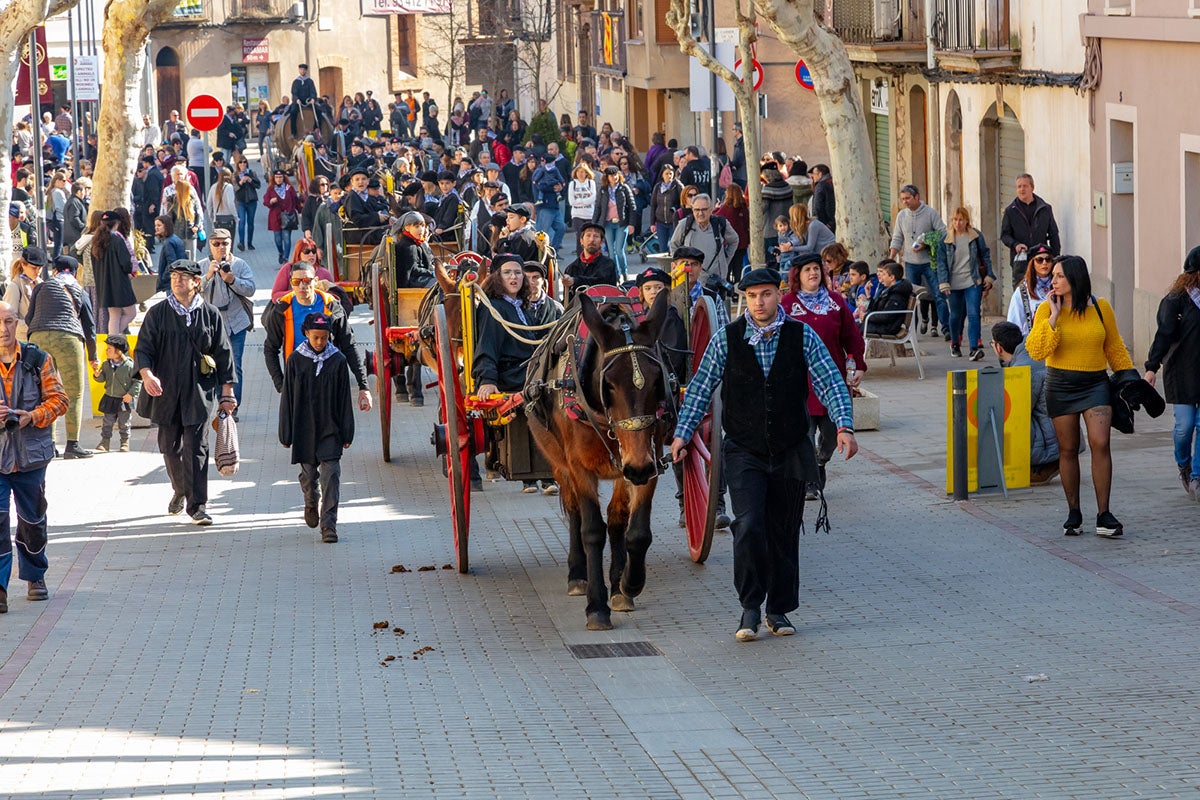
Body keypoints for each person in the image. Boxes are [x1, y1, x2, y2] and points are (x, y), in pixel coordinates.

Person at [669, 268, 857, 641]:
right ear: (745, 299)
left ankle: (779, 610)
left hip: (789, 448)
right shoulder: (727, 339)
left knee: (784, 531)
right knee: (750, 524)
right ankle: (750, 608)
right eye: (753, 295)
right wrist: (682, 434)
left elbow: (831, 381)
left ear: (777, 294)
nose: (760, 302)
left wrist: (844, 427)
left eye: (767, 294)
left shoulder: (802, 337)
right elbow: (702, 386)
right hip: (744, 450)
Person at [1025, 256, 1133, 538]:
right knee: (1068, 449)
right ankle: (1074, 512)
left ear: (1075, 278)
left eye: (1060, 275)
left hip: (1095, 383)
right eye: (1054, 276)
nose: (1054, 280)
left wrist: (1132, 376)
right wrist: (1053, 316)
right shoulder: (1045, 311)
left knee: (1101, 442)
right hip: (1060, 384)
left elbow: (1115, 346)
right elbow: (1038, 350)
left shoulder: (1100, 307)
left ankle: (1104, 514)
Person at [136, 259, 236, 526]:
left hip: (198, 391)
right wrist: (147, 374)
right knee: (169, 448)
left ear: (196, 282)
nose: (177, 280)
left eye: (184, 276)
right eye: (174, 276)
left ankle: (197, 506)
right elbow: (143, 348)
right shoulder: (157, 313)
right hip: (165, 391)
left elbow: (224, 353)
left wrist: (227, 392)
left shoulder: (211, 314)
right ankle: (180, 488)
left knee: (196, 448)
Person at [0, 299, 68, 612]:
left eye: (10, 321)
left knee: (32, 520)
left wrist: (31, 416)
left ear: (19, 323)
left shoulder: (38, 359)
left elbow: (60, 401)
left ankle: (35, 576)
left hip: (31, 457)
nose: (4, 329)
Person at [781, 253, 866, 498]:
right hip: (799, 384)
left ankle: (820, 462)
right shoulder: (787, 305)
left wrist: (858, 364)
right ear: (798, 275)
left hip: (832, 381)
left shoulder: (836, 302)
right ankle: (810, 480)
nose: (813, 273)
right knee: (803, 435)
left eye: (816, 268)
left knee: (831, 436)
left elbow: (852, 337)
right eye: (807, 269)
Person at [280, 311, 369, 544]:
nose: (320, 342)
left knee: (332, 475)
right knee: (309, 477)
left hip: (331, 429)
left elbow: (343, 400)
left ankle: (329, 525)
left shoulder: (337, 361)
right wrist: (285, 431)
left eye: (324, 337)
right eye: (315, 337)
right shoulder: (295, 360)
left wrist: (347, 432)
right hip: (304, 428)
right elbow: (288, 397)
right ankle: (311, 500)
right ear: (307, 333)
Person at [262, 263, 370, 410]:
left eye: (307, 281)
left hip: (330, 379)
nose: (302, 286)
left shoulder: (332, 306)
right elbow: (270, 349)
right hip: (297, 381)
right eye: (296, 282)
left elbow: (349, 345)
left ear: (316, 281)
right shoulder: (282, 309)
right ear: (291, 282)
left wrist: (363, 386)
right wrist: (281, 385)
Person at [26, 253, 98, 459]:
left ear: (55, 271)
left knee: (43, 392)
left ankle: (48, 444)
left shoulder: (41, 287)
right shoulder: (79, 290)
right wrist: (93, 356)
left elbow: (30, 317)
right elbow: (89, 326)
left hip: (38, 337)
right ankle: (72, 445)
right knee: (73, 392)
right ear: (75, 273)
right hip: (68, 338)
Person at [1144, 245, 1200, 499]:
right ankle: (1183, 463)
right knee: (1184, 427)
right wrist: (1151, 367)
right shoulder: (1176, 301)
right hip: (1182, 372)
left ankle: (1197, 476)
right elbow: (1163, 335)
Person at [991, 322, 1060, 485]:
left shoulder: (1022, 370)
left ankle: (1044, 463)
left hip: (1051, 439)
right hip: (1061, 428)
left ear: (999, 348)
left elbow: (1017, 412)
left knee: (1006, 417)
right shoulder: (1032, 352)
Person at [199, 229, 256, 411]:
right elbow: (192, 292)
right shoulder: (201, 265)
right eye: (216, 244)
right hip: (211, 326)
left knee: (235, 364)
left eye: (225, 243)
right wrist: (208, 276)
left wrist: (232, 280)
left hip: (235, 323)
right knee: (214, 365)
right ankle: (219, 402)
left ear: (230, 244)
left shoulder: (240, 265)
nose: (221, 247)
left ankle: (232, 406)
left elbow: (251, 289)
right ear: (210, 245)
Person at [888, 184, 948, 338]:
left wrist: (926, 243)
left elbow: (942, 232)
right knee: (910, 298)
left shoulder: (930, 213)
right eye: (902, 199)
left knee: (938, 295)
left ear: (917, 197)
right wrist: (891, 257)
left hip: (930, 263)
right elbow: (897, 237)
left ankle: (947, 329)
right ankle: (910, 331)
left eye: (908, 198)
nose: (905, 202)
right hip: (910, 263)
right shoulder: (901, 216)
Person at [936, 206, 996, 360]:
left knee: (974, 313)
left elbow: (985, 255)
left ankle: (974, 348)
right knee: (955, 315)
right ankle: (955, 344)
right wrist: (943, 282)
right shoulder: (945, 239)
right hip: (953, 283)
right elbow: (941, 262)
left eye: (961, 220)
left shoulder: (975, 236)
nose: (958, 223)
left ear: (967, 220)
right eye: (955, 220)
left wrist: (989, 276)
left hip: (972, 281)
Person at [669, 193, 739, 291]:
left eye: (704, 209)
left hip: (716, 280)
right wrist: (680, 265)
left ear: (711, 210)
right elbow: (674, 244)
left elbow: (734, 240)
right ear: (692, 210)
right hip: (691, 281)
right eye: (697, 210)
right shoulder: (684, 225)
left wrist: (724, 259)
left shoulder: (720, 224)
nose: (700, 213)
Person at [1000, 173, 1061, 283]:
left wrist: (1055, 259)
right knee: (1022, 295)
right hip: (1021, 262)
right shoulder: (1010, 211)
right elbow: (1004, 235)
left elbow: (1054, 235)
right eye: (1019, 186)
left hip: (1042, 260)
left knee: (1043, 293)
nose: (1021, 189)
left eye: (1025, 186)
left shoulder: (1045, 209)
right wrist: (1015, 244)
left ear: (1032, 187)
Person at [91, 211, 138, 335]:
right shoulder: (117, 241)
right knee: (131, 313)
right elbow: (126, 264)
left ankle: (112, 341)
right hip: (120, 284)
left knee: (114, 316)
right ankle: (113, 338)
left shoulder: (96, 242)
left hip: (104, 284)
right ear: (116, 224)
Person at [92, 333, 140, 452]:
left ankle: (124, 442)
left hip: (124, 399)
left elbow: (138, 381)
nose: (107, 351)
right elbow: (102, 378)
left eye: (109, 349)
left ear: (118, 351)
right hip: (110, 398)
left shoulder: (130, 366)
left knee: (124, 423)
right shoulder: (106, 364)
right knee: (107, 422)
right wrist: (96, 374)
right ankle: (105, 442)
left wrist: (131, 394)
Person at [592, 166, 637, 280]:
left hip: (621, 223)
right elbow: (598, 208)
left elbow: (632, 207)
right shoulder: (603, 190)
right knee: (611, 252)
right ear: (607, 177)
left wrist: (631, 224)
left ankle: (624, 272)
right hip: (607, 223)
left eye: (616, 174)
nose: (614, 177)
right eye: (611, 175)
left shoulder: (624, 188)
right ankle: (615, 275)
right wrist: (594, 224)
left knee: (619, 250)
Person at [1006, 243, 1055, 335]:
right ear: (1032, 263)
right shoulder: (1023, 291)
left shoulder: (1059, 286)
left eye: (1048, 259)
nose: (1044, 263)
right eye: (1039, 260)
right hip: (1032, 341)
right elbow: (1014, 321)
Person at [562, 222, 619, 290]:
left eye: (596, 236)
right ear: (581, 241)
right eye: (588, 235)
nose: (592, 240)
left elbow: (599, 282)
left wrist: (575, 281)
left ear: (602, 242)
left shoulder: (608, 264)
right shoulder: (572, 268)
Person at [863, 262, 914, 336]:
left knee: (851, 328)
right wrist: (868, 295)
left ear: (892, 278)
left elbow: (887, 316)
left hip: (887, 328)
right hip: (882, 324)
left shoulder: (897, 295)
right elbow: (877, 309)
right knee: (851, 325)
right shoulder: (888, 290)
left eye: (884, 274)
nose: (881, 277)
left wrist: (866, 316)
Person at [263, 169, 302, 264]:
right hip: (276, 218)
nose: (279, 179)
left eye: (280, 177)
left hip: (288, 217)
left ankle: (285, 258)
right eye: (277, 177)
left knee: (287, 238)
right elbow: (265, 201)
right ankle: (281, 252)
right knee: (278, 240)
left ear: (284, 178)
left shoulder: (289, 188)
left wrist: (300, 211)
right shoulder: (271, 189)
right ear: (274, 178)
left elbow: (296, 200)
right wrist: (271, 202)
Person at [713, 184, 750, 283]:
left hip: (728, 243)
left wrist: (716, 208)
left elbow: (715, 216)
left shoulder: (726, 208)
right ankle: (737, 288)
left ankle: (729, 289)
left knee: (727, 267)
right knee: (738, 267)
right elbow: (747, 223)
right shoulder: (743, 207)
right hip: (742, 242)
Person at [5, 247, 43, 341]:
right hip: (22, 342)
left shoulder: (41, 284)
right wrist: (34, 326)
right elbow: (9, 320)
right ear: (23, 265)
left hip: (39, 340)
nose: (38, 271)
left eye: (40, 268)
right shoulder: (14, 287)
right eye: (34, 268)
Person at [649, 164, 683, 256]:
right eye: (666, 174)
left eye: (671, 173)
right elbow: (653, 205)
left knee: (674, 246)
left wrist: (677, 212)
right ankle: (664, 268)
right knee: (663, 248)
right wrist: (652, 223)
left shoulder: (677, 185)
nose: (669, 176)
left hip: (673, 221)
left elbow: (683, 202)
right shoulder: (658, 187)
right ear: (662, 175)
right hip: (660, 222)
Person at [154, 215, 188, 295]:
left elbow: (172, 262)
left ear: (166, 226)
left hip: (171, 282)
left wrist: (163, 279)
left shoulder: (168, 242)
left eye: (159, 225)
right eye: (155, 225)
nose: (156, 228)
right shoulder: (175, 239)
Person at [233, 156, 260, 252]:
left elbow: (258, 185)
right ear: (238, 165)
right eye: (240, 162)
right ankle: (241, 243)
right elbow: (234, 188)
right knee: (242, 222)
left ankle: (250, 243)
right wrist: (241, 182)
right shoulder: (235, 175)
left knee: (251, 223)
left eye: (244, 162)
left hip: (252, 201)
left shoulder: (252, 173)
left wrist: (250, 180)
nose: (243, 164)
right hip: (241, 201)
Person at [808, 163, 836, 233]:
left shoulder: (820, 186)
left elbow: (818, 206)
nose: (812, 176)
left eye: (814, 174)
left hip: (825, 223)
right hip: (834, 221)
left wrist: (824, 223)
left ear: (820, 174)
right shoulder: (833, 182)